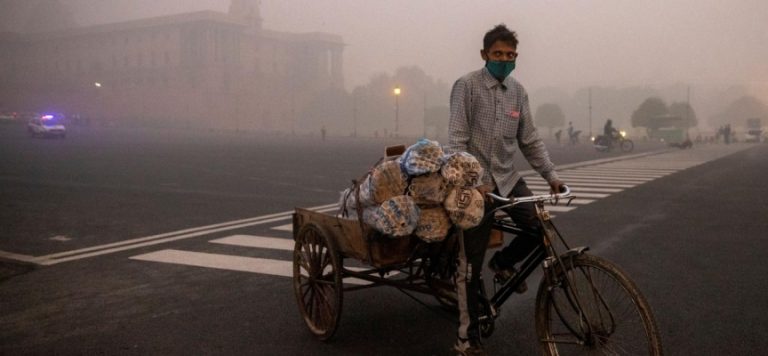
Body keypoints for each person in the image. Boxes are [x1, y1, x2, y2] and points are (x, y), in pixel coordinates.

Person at [447, 24, 565, 356]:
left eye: (510, 55)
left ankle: (502, 263)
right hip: (474, 185)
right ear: (484, 54)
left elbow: (530, 141)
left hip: (508, 179)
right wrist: (477, 181)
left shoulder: (518, 92)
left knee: (540, 230)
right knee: (469, 265)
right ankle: (465, 338)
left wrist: (552, 176)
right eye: (498, 54)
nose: (504, 59)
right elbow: (456, 141)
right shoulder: (467, 86)